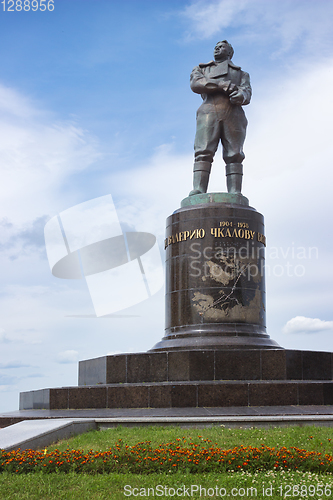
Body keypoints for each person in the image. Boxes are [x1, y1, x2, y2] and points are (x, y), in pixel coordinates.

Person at [189, 40, 252, 196]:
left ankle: (235, 192)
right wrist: (221, 85)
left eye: (221, 47)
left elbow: (247, 93)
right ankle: (199, 189)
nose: (217, 49)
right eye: (215, 47)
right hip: (209, 111)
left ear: (230, 52)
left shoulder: (241, 74)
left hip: (233, 113)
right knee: (203, 151)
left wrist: (240, 95)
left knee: (235, 154)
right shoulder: (202, 69)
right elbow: (196, 84)